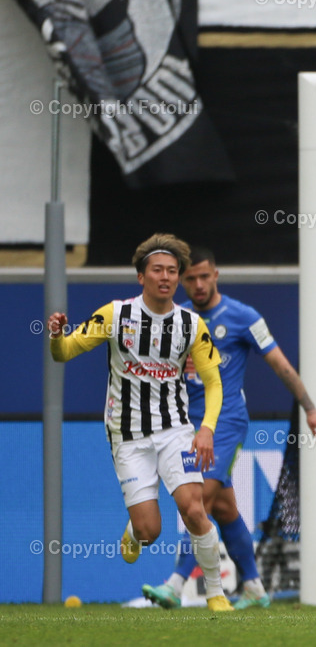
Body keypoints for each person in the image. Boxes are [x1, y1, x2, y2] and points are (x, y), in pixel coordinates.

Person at [47, 234, 233, 612]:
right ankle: (136, 530)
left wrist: (207, 428)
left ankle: (216, 593)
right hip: (128, 435)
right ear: (141, 276)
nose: (165, 277)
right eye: (157, 270)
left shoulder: (191, 324)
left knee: (194, 509)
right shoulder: (115, 315)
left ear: (178, 277)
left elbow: (214, 383)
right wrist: (55, 336)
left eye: (172, 271)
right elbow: (64, 352)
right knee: (150, 532)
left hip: (175, 430)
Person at [141, 246, 316, 610]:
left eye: (203, 276)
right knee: (224, 509)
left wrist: (311, 409)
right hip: (187, 425)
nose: (197, 284)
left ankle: (176, 585)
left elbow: (281, 365)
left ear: (216, 275)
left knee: (199, 497)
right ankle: (255, 586)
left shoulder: (243, 316)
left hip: (226, 422)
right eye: (190, 278)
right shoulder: (178, 320)